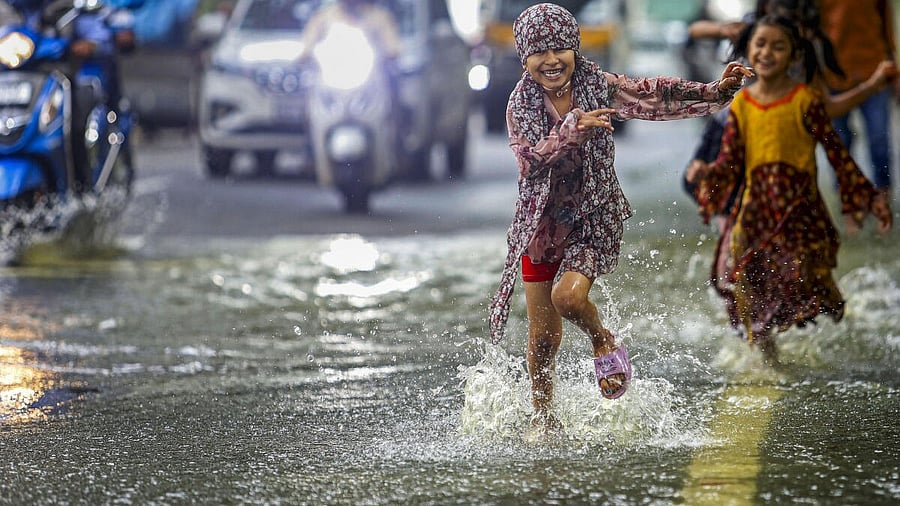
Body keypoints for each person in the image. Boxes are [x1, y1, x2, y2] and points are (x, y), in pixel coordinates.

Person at [487, 3, 752, 435]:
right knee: (540, 341)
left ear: (575, 48)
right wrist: (572, 129)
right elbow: (529, 164)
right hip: (541, 227)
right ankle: (545, 418)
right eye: (539, 52)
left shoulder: (599, 85)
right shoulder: (520, 105)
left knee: (568, 299)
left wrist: (715, 91)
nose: (551, 60)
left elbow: (653, 94)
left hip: (594, 215)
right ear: (524, 58)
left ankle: (601, 339)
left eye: (560, 48)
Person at [689, 15, 893, 364]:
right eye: (760, 44)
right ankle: (768, 358)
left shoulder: (805, 100)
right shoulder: (741, 104)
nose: (767, 52)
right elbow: (730, 163)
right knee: (746, 280)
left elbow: (837, 154)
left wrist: (867, 196)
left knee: (806, 281)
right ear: (748, 50)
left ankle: (815, 339)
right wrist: (705, 172)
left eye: (778, 46)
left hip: (800, 214)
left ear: (795, 55)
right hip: (754, 213)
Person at [819, 0, 899, 192]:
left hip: (874, 70)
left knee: (879, 138)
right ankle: (848, 201)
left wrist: (894, 71)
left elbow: (886, 27)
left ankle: (883, 197)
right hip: (833, 75)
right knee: (839, 143)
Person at [298, 0, 402, 62]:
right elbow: (309, 42)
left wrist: (390, 53)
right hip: (332, 73)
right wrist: (305, 54)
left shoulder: (378, 17)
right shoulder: (324, 17)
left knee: (390, 83)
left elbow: (392, 46)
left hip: (370, 77)